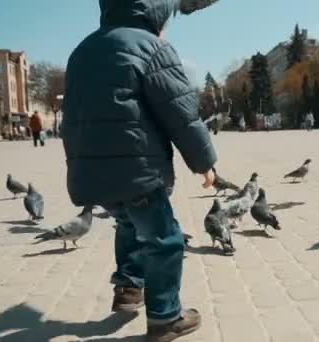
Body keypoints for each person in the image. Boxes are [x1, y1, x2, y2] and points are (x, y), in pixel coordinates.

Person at [61, 1, 219, 341]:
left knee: (128, 225)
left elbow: (70, 117)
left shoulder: (83, 50)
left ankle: (129, 288)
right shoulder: (152, 47)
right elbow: (181, 114)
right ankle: (165, 317)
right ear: (155, 12)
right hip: (137, 170)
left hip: (91, 172)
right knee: (165, 241)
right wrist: (204, 163)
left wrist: (78, 162)